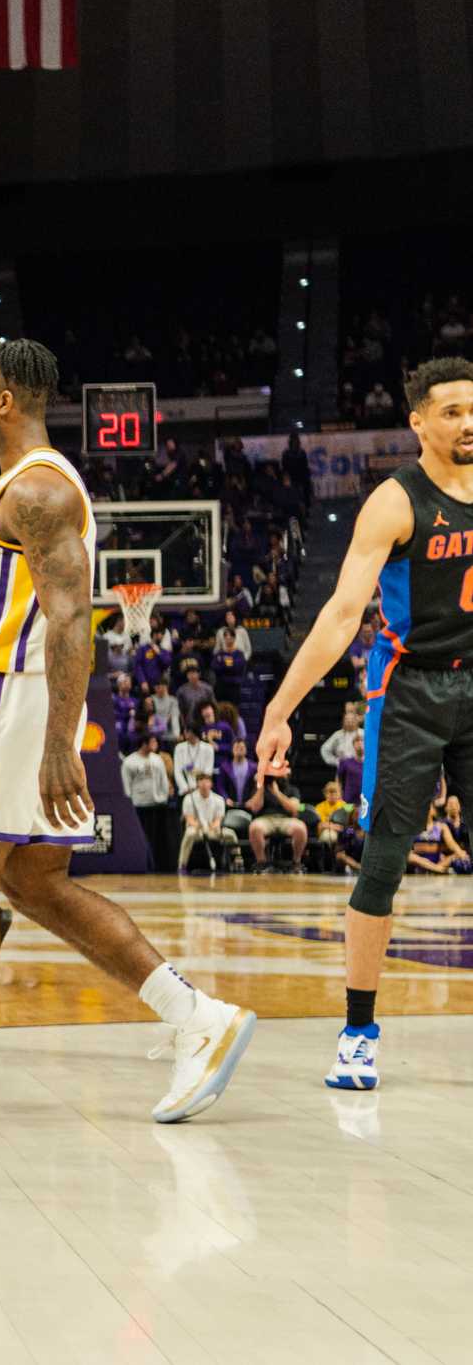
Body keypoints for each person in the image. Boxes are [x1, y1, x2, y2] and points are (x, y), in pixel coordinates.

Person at [0, 339, 254, 1125]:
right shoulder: (21, 489)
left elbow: (69, 617)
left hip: (7, 709)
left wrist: (58, 740)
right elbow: (20, 616)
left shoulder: (38, 490)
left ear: (4, 402)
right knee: (33, 882)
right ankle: (198, 1016)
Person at [260, 356, 473, 1090]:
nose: (468, 422)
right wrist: (281, 708)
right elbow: (343, 614)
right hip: (408, 689)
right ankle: (358, 1028)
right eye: (451, 411)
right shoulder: (395, 499)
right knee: (383, 862)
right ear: (418, 422)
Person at [120, 733, 179, 872]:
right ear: (144, 743)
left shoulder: (157, 760)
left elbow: (163, 780)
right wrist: (129, 802)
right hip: (138, 806)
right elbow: (126, 785)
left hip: (156, 805)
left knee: (155, 838)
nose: (156, 745)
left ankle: (156, 865)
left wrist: (163, 797)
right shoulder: (129, 762)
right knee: (140, 837)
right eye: (152, 742)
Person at [248, 775, 311, 873]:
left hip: (286, 819)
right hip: (265, 819)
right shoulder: (260, 788)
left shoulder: (292, 789)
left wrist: (276, 792)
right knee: (254, 827)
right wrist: (261, 787)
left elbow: (294, 809)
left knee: (301, 828)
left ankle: (296, 863)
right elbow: (255, 808)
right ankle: (261, 863)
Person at [178, 771, 235, 874]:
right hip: (197, 830)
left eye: (207, 781)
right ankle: (182, 865)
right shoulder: (188, 799)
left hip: (212, 829)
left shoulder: (219, 799)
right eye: (201, 781)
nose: (204, 784)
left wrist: (210, 828)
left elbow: (218, 821)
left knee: (230, 834)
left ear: (211, 783)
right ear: (197, 784)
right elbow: (189, 819)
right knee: (189, 833)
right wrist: (199, 827)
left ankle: (236, 860)